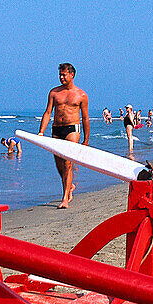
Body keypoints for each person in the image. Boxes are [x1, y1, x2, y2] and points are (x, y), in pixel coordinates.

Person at [37, 62, 89, 208]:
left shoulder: (81, 95)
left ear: (72, 75)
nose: (61, 77)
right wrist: (41, 132)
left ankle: (65, 198)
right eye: (60, 74)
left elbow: (85, 118)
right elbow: (47, 112)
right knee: (59, 165)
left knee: (67, 163)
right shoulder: (54, 92)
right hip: (57, 129)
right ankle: (69, 186)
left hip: (73, 129)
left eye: (64, 74)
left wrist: (86, 139)